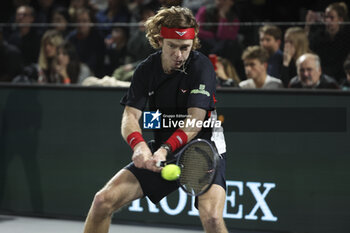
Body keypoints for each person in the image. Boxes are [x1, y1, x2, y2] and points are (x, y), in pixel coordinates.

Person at [83, 6, 228, 233]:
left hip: (203, 149)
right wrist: (139, 145)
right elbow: (130, 114)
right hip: (164, 149)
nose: (179, 55)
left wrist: (164, 149)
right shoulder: (145, 70)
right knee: (102, 201)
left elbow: (195, 120)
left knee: (212, 219)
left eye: (185, 48)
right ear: (160, 40)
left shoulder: (202, 67)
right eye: (172, 46)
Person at [305, 2, 350, 82]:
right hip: (322, 78)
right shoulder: (318, 36)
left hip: (342, 78)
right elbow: (307, 47)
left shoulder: (347, 38)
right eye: (326, 17)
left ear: (340, 20)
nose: (327, 20)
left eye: (331, 17)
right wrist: (308, 25)